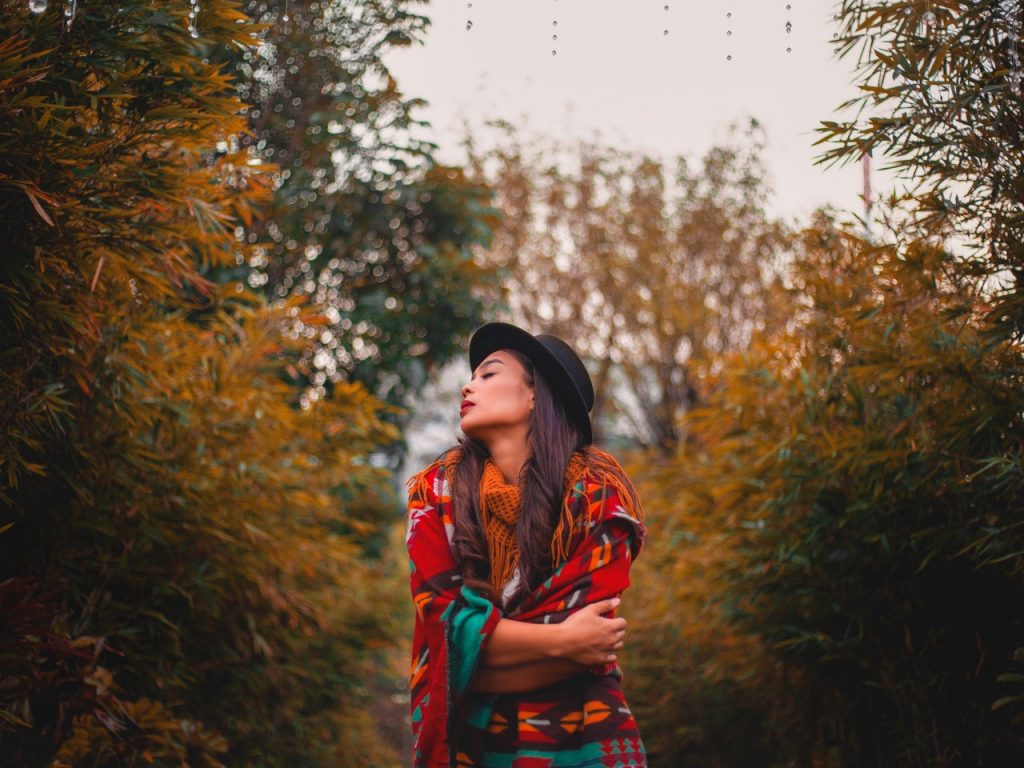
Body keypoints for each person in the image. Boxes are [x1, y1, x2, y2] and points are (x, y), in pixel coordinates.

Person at [405, 321, 647, 768]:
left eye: (488, 373)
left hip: (583, 740)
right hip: (471, 748)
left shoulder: (599, 497)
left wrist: (476, 656)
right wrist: (561, 640)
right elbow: (445, 635)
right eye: (472, 375)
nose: (468, 384)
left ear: (537, 393)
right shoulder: (434, 494)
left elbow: (589, 654)